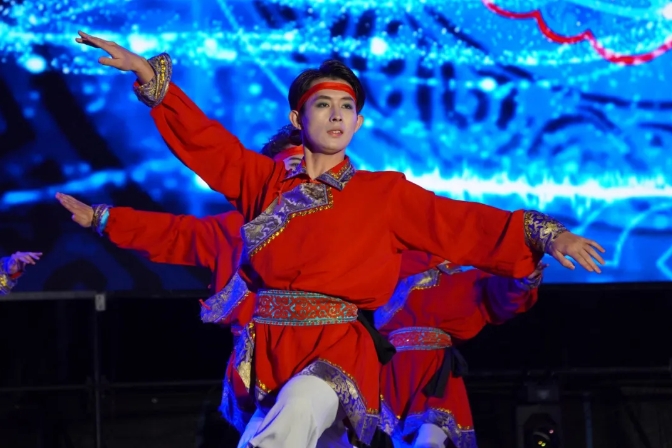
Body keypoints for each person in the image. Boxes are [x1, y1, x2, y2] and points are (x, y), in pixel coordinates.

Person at [75, 32, 606, 448]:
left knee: (298, 411)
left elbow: (460, 223)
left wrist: (546, 234)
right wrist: (151, 79)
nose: (335, 115)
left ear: (358, 122)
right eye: (323, 104)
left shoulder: (383, 194)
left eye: (346, 107)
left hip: (336, 348)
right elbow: (208, 148)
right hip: (269, 350)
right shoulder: (263, 184)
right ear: (297, 117)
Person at [55, 125, 303, 436]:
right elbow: (172, 234)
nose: (303, 176)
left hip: (327, 358)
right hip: (262, 370)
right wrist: (103, 218)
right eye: (294, 166)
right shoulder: (236, 230)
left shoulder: (347, 225)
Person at [374, 252, 546, 448]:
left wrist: (524, 279)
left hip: (433, 369)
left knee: (429, 439)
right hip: (392, 370)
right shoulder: (393, 270)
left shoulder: (464, 279)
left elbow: (500, 291)